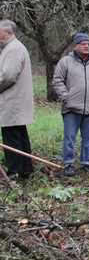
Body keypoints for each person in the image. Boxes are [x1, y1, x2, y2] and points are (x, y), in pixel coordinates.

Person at [52, 32, 89, 176]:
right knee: (70, 138)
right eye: (83, 44)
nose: (86, 46)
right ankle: (68, 164)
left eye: (88, 44)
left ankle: (86, 162)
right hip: (71, 108)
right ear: (75, 46)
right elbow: (57, 81)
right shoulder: (65, 62)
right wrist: (66, 97)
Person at [0, 20, 34, 181]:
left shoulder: (12, 49)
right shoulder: (15, 47)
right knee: (20, 136)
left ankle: (14, 171)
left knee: (11, 137)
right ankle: (25, 169)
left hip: (12, 101)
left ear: (6, 32)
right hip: (17, 101)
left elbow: (8, 76)